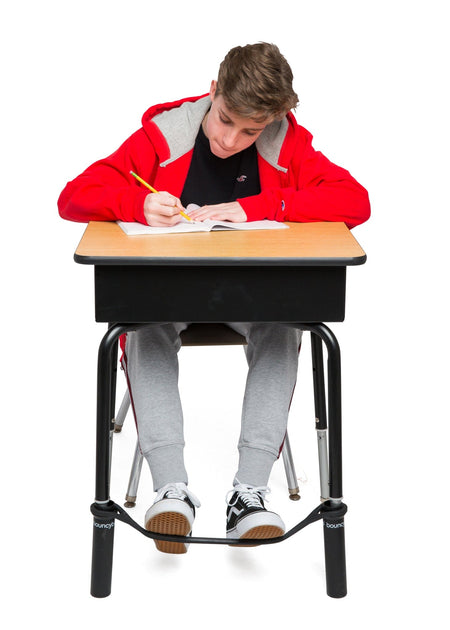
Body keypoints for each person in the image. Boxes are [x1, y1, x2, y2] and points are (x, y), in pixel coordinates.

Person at [58, 42, 370, 553]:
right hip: (170, 294)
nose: (230, 140)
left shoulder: (285, 142)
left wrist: (261, 206)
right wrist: (136, 202)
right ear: (213, 93)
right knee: (143, 325)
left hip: (252, 295)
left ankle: (249, 495)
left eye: (250, 130)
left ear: (273, 120)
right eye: (225, 120)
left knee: (284, 325)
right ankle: (170, 491)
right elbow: (72, 196)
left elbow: (355, 200)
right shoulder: (167, 133)